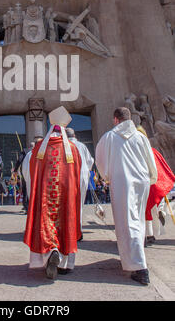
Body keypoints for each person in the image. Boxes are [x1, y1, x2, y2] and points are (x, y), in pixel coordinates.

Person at [95, 107, 157, 286]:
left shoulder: (109, 137)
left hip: (123, 183)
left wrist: (107, 176)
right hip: (142, 182)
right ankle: (133, 260)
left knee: (128, 223)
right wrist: (151, 177)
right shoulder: (140, 137)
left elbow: (100, 161)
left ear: (116, 120)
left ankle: (140, 267)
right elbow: (150, 160)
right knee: (137, 220)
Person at [23, 106, 82, 280]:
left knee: (46, 223)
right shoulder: (71, 148)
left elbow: (31, 171)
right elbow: (78, 173)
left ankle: (50, 252)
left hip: (45, 196)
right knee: (66, 222)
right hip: (65, 195)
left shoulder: (40, 148)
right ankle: (65, 264)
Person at [137, 126, 175, 244]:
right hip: (156, 184)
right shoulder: (153, 151)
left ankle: (149, 234)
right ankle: (161, 212)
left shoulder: (137, 153)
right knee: (154, 208)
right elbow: (162, 169)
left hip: (143, 185)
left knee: (145, 211)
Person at [66, 128, 94, 237]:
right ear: (75, 135)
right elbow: (90, 161)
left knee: (68, 204)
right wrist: (86, 170)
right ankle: (78, 230)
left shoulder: (65, 145)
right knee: (79, 204)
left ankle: (70, 230)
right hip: (82, 176)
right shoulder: (82, 146)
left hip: (68, 177)